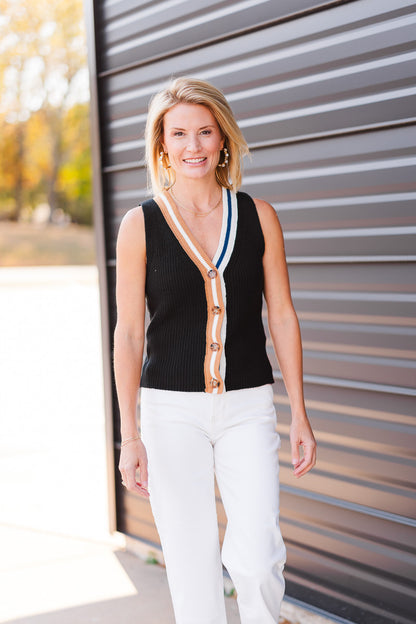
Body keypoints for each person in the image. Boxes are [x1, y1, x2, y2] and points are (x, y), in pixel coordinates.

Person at [114, 76, 316, 624]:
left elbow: (282, 315)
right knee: (191, 562)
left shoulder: (258, 216)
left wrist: (299, 411)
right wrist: (130, 435)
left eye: (205, 132)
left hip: (248, 407)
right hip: (169, 413)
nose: (193, 146)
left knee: (258, 557)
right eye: (178, 134)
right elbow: (129, 333)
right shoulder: (140, 225)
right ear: (162, 144)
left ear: (223, 138)